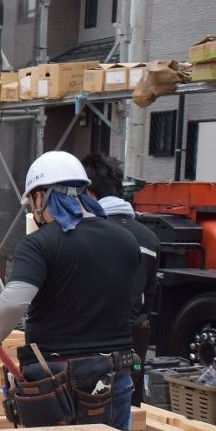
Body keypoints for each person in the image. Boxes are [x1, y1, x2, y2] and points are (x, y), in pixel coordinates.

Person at [0, 150, 138, 431]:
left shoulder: (40, 244)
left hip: (59, 380)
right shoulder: (125, 240)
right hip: (115, 374)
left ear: (40, 196)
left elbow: (16, 299)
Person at [83, 152, 159, 407]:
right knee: (130, 407)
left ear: (89, 192)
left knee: (93, 410)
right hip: (135, 333)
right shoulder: (149, 238)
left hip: (95, 337)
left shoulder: (88, 232)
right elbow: (150, 294)